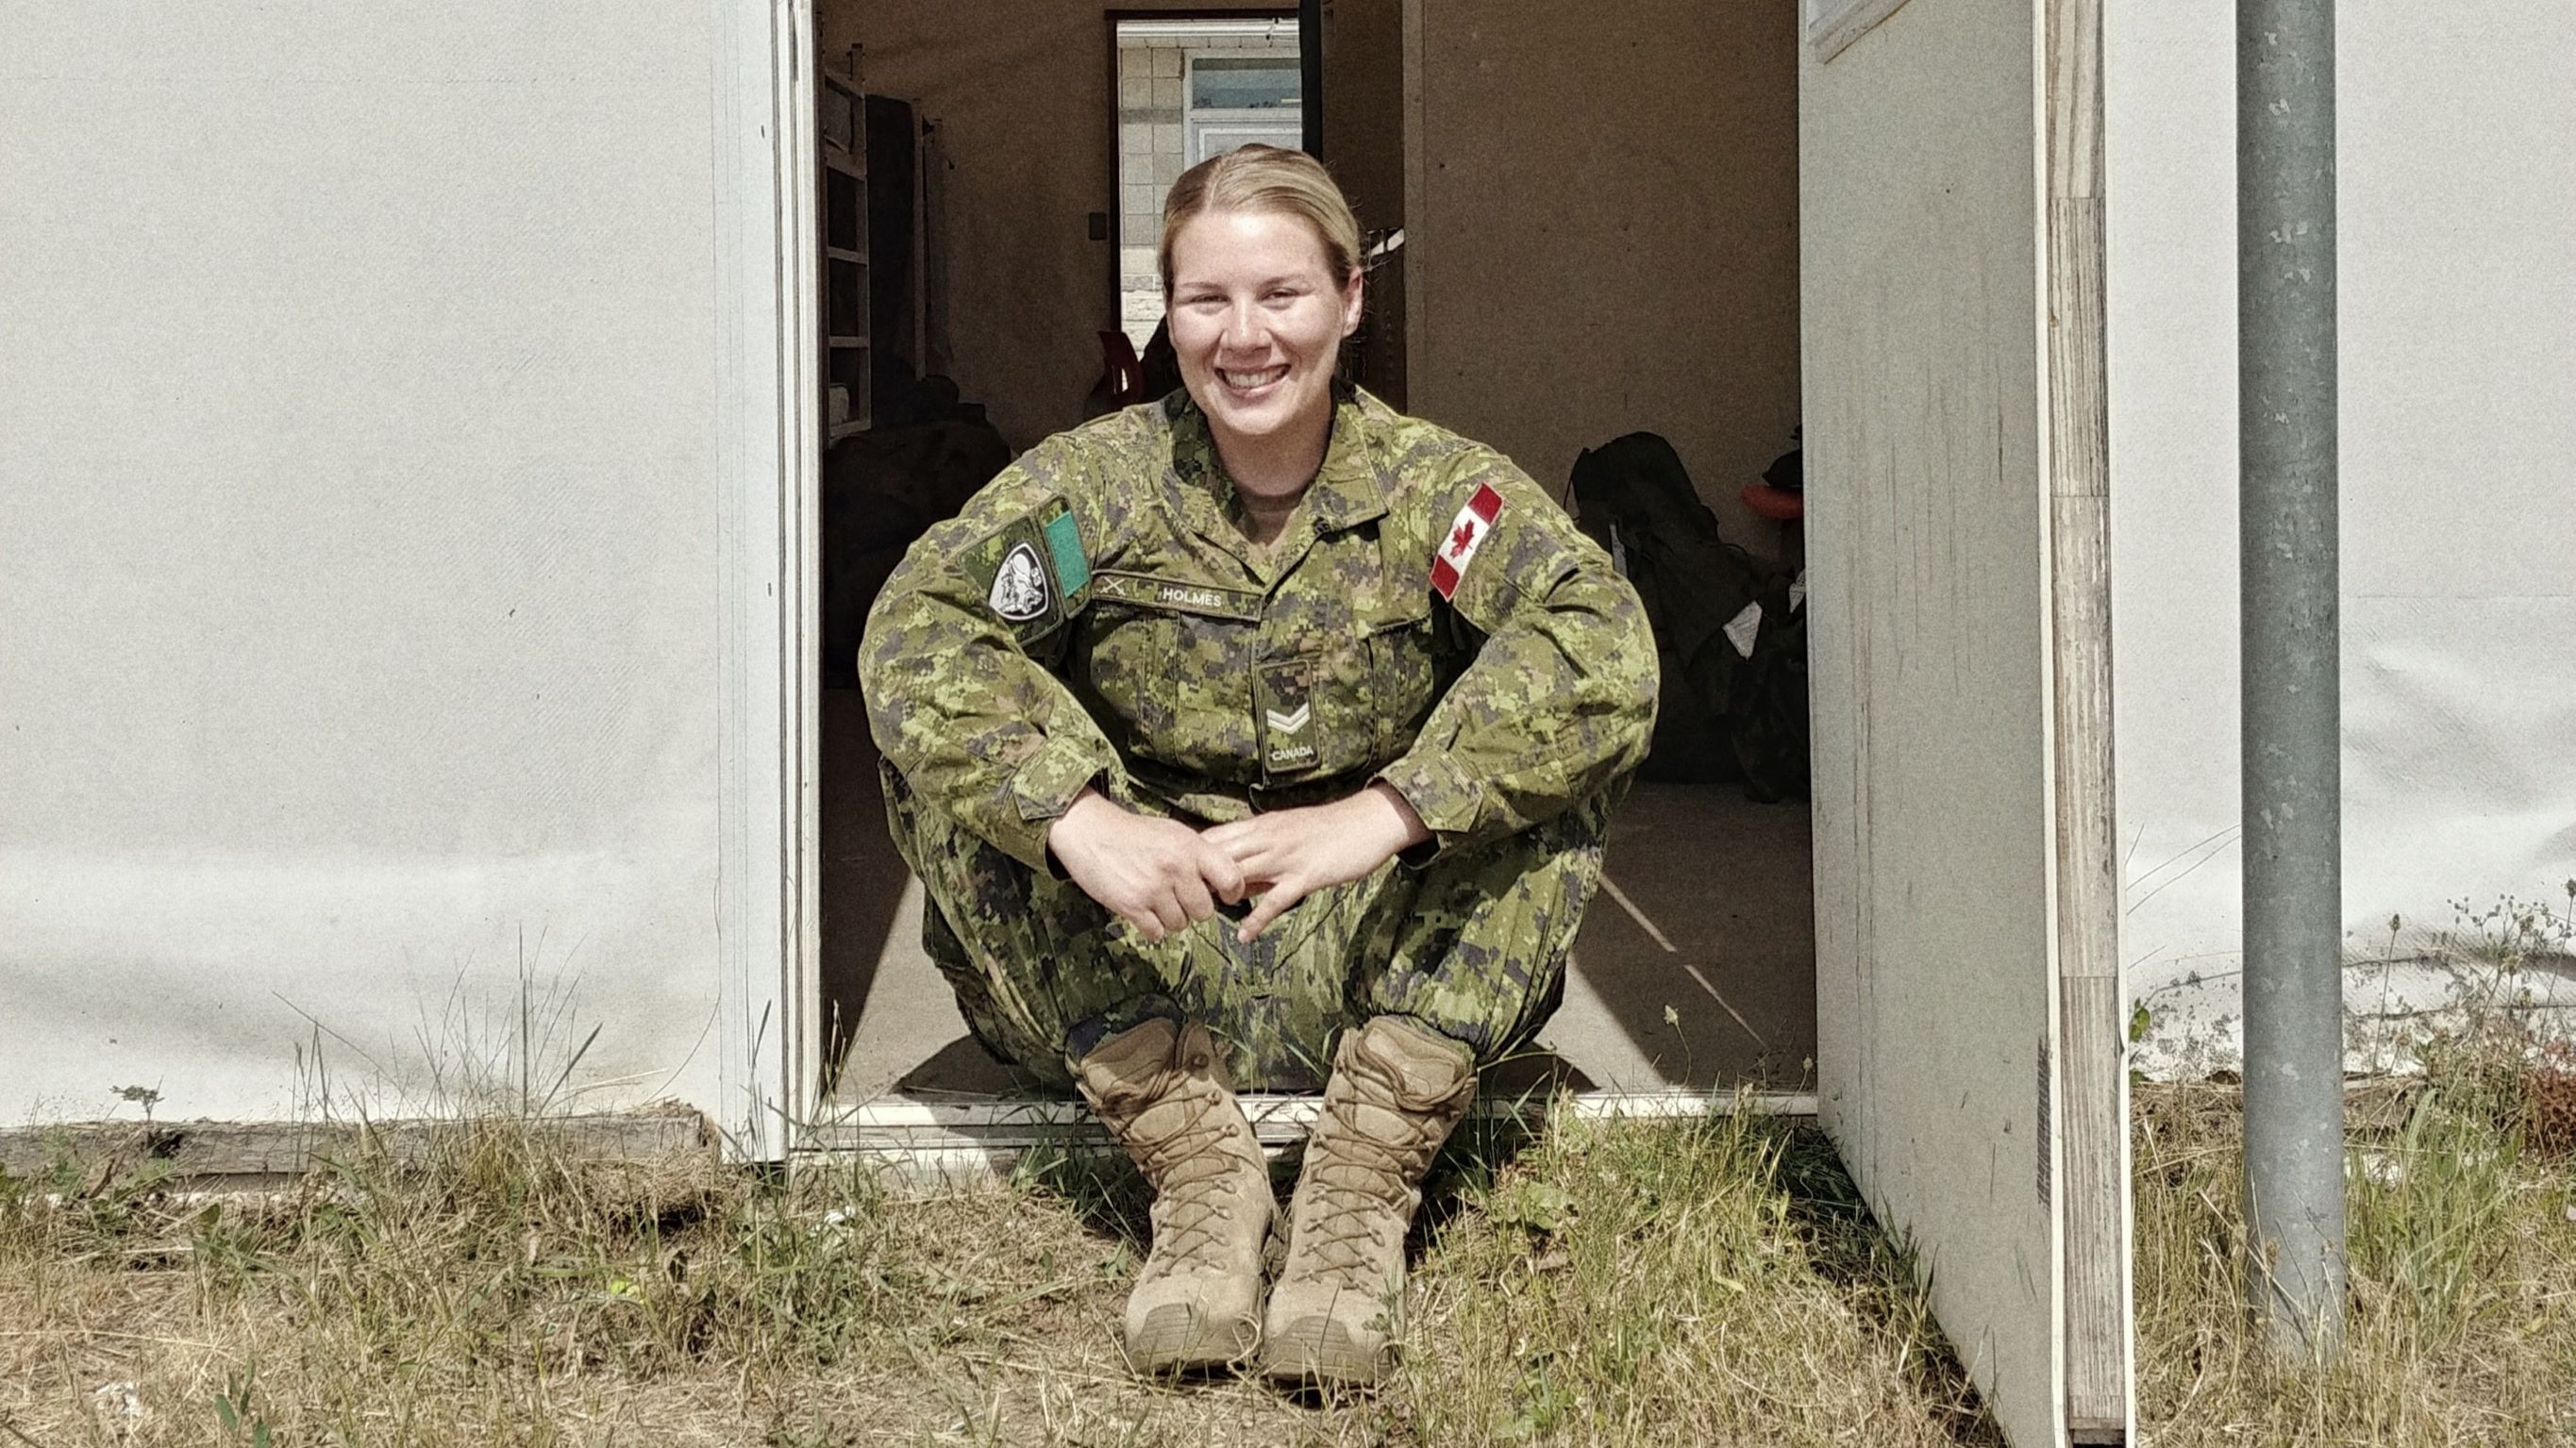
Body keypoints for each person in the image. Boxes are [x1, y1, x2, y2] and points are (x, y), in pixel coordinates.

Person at [859, 144, 1657, 1387]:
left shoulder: (1431, 490)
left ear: (1348, 300)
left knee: (1550, 757)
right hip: (1138, 957)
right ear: (1163, 316)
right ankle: (1198, 1175)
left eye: (1280, 295)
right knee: (954, 764)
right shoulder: (1096, 488)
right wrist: (1077, 817)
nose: (1244, 339)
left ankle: (1356, 1189)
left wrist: (1390, 810)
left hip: (1374, 967)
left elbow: (1600, 643)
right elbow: (918, 629)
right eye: (1205, 301)